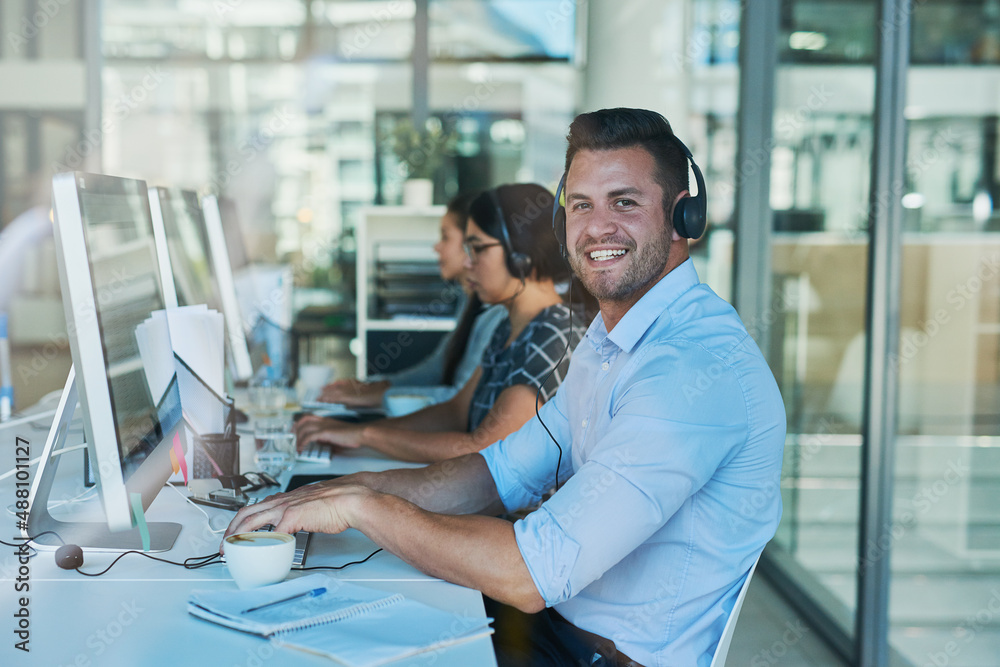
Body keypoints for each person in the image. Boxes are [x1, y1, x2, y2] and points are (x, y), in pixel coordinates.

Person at [226, 108, 785, 666]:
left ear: (685, 216)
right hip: (550, 630)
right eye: (582, 205)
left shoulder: (689, 370)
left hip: (594, 657)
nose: (598, 227)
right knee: (321, 628)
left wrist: (368, 509)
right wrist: (339, 492)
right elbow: (497, 473)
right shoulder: (609, 343)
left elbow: (531, 573)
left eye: (626, 202)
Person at [294, 183, 586, 463]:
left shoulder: (554, 335)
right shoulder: (508, 328)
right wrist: (357, 432)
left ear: (520, 256)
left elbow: (484, 448)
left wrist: (364, 435)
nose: (468, 263)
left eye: (477, 249)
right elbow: (455, 413)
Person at [319, 192, 507, 409]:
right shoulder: (469, 301)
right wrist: (373, 387)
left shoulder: (496, 312)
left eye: (445, 237)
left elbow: (460, 400)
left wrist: (379, 396)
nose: (436, 247)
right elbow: (437, 368)